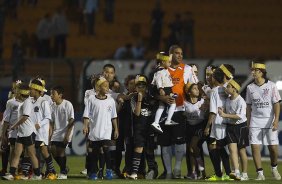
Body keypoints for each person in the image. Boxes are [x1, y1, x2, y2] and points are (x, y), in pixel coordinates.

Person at [157, 45, 198, 179]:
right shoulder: (160, 70)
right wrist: (162, 97)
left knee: (180, 142)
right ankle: (168, 172)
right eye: (176, 53)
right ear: (170, 54)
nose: (180, 55)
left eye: (181, 53)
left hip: (180, 110)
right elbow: (152, 91)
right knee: (165, 143)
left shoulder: (187, 69)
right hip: (163, 111)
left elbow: (194, 88)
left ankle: (178, 168)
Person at [246, 61, 281, 180]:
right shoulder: (249, 87)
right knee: (255, 146)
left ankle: (274, 167)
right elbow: (249, 106)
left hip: (269, 120)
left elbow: (276, 104)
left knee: (273, 148)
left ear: (261, 72)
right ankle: (260, 173)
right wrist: (248, 121)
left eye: (255, 70)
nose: (253, 72)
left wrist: (276, 120)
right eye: (252, 70)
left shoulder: (271, 86)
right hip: (255, 121)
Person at [2, 83, 41, 180]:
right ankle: (11, 174)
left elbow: (25, 117)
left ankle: (38, 174)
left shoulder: (27, 102)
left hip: (28, 132)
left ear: (21, 93)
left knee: (31, 154)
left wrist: (14, 126)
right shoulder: (24, 102)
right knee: (16, 153)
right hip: (21, 132)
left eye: (17, 90)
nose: (15, 92)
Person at [83, 75, 118, 180]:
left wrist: (116, 129)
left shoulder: (110, 100)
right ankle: (94, 172)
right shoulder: (91, 99)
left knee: (106, 150)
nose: (107, 88)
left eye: (108, 86)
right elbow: (86, 115)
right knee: (94, 152)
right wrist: (85, 126)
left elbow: (114, 116)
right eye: (105, 86)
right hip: (94, 130)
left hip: (106, 130)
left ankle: (109, 171)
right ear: (98, 88)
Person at [204, 64, 234, 181]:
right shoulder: (227, 89)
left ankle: (221, 174)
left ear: (214, 78)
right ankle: (226, 173)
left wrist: (207, 127)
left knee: (217, 148)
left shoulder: (214, 92)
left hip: (217, 123)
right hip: (227, 121)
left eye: (212, 76)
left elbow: (212, 111)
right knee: (221, 148)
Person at [127, 75, 158, 180]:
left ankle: (152, 170)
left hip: (150, 128)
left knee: (150, 150)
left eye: (143, 86)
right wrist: (140, 100)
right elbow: (136, 113)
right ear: (135, 88)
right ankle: (134, 173)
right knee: (138, 148)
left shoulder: (152, 98)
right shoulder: (133, 98)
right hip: (139, 128)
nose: (141, 88)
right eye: (138, 86)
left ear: (146, 87)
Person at [218, 79, 249, 181]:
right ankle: (236, 172)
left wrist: (224, 114)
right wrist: (222, 111)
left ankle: (245, 173)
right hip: (230, 126)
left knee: (242, 151)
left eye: (228, 87)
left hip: (241, 127)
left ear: (234, 89)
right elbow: (227, 112)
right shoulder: (227, 100)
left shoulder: (241, 101)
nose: (226, 89)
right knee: (232, 150)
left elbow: (239, 116)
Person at [29, 78, 57, 179]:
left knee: (44, 151)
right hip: (32, 131)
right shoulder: (30, 101)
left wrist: (39, 124)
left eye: (31, 89)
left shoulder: (43, 102)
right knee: (31, 152)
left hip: (41, 132)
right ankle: (36, 172)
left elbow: (48, 117)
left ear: (36, 90)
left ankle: (52, 171)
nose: (29, 91)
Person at [50, 86, 75, 179]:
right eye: (51, 94)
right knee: (52, 150)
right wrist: (50, 135)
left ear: (60, 95)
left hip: (66, 130)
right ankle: (64, 168)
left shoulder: (67, 104)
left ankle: (63, 172)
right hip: (57, 131)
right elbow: (51, 122)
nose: (51, 96)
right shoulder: (52, 106)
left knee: (60, 151)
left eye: (53, 94)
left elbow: (72, 120)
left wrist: (67, 136)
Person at [184, 83, 207, 179]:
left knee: (194, 146)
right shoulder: (185, 103)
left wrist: (206, 106)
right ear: (189, 92)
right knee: (190, 150)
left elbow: (209, 109)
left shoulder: (202, 102)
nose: (197, 90)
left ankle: (201, 170)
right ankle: (193, 172)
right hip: (189, 127)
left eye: (198, 88)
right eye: (194, 89)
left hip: (200, 126)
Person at [151, 52, 177, 134]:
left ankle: (156, 122)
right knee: (173, 103)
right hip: (166, 89)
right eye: (169, 62)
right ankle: (168, 120)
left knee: (161, 106)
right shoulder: (160, 71)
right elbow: (158, 81)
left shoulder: (162, 70)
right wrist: (161, 89)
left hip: (167, 88)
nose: (170, 63)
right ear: (163, 62)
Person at [0, 80, 23, 177]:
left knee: (27, 152)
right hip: (13, 131)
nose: (17, 90)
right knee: (13, 151)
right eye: (15, 88)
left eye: (19, 88)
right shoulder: (11, 102)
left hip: (25, 130)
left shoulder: (28, 101)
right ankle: (13, 171)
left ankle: (24, 171)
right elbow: (6, 119)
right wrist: (3, 134)